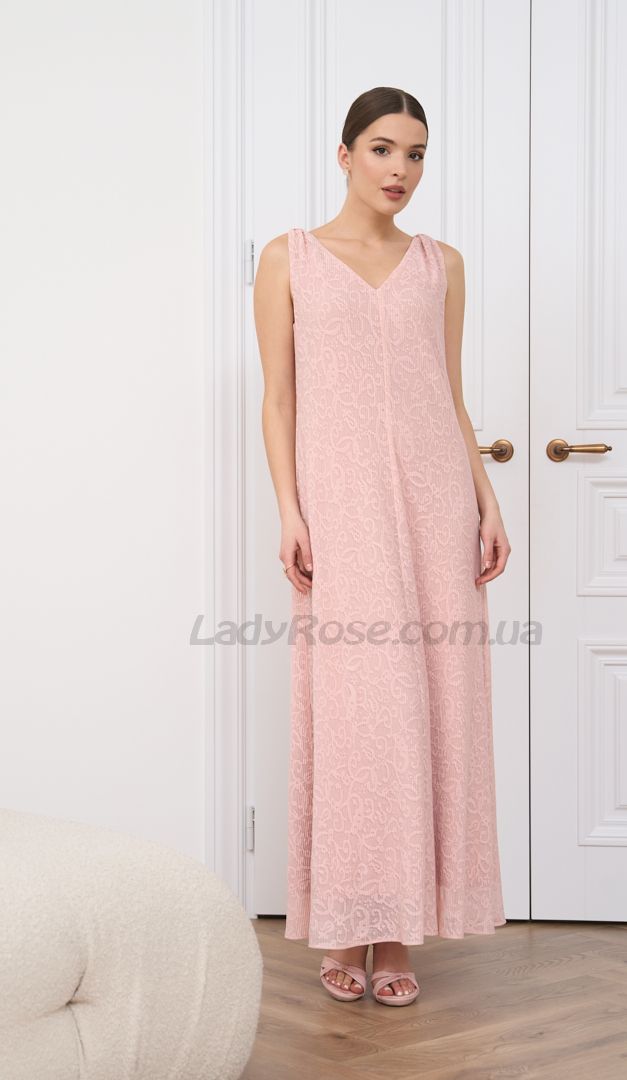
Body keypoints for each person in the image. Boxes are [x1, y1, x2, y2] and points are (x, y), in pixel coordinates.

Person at [253, 86, 511, 1007]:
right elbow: (278, 398)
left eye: (415, 154)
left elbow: (450, 394)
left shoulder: (442, 265)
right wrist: (290, 510)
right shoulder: (289, 258)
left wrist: (485, 501)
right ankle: (346, 920)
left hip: (436, 505)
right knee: (360, 709)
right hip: (343, 505)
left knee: (434, 704)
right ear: (344, 154)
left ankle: (398, 933)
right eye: (381, 149)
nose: (399, 170)